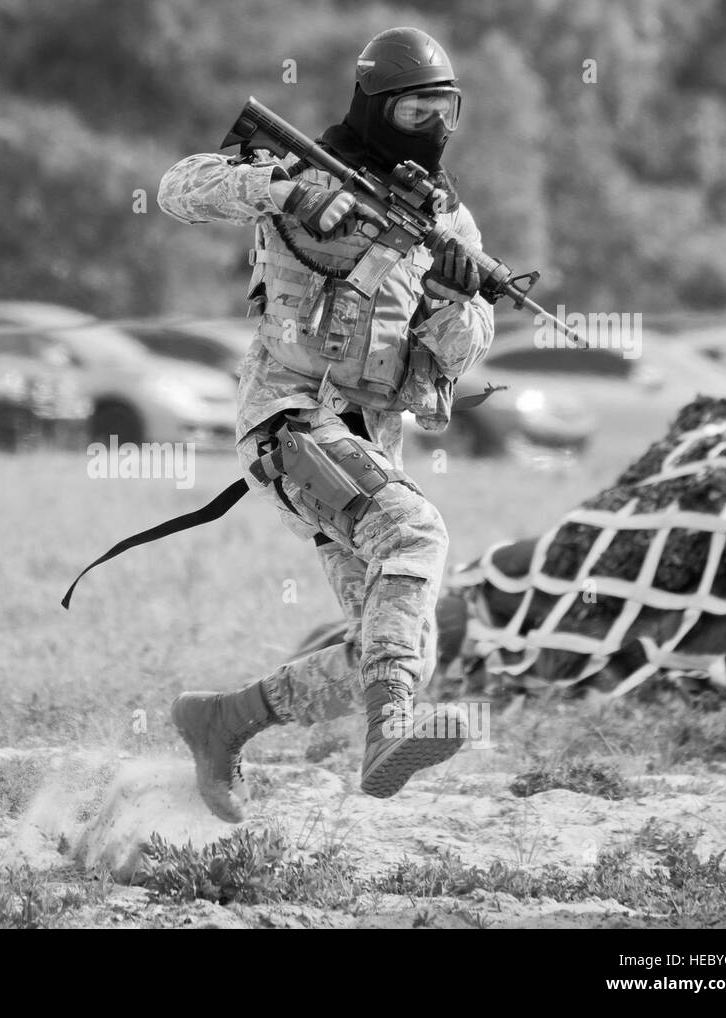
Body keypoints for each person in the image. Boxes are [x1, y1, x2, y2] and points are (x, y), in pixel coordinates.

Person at [157, 28, 494, 822]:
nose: (433, 124)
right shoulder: (304, 164)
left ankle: (221, 721)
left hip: (368, 443)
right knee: (417, 537)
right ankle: (389, 734)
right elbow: (179, 187)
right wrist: (285, 192)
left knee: (402, 644)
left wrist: (456, 298)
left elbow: (457, 354)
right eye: (416, 108)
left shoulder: (449, 220)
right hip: (291, 421)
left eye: (446, 109)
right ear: (378, 105)